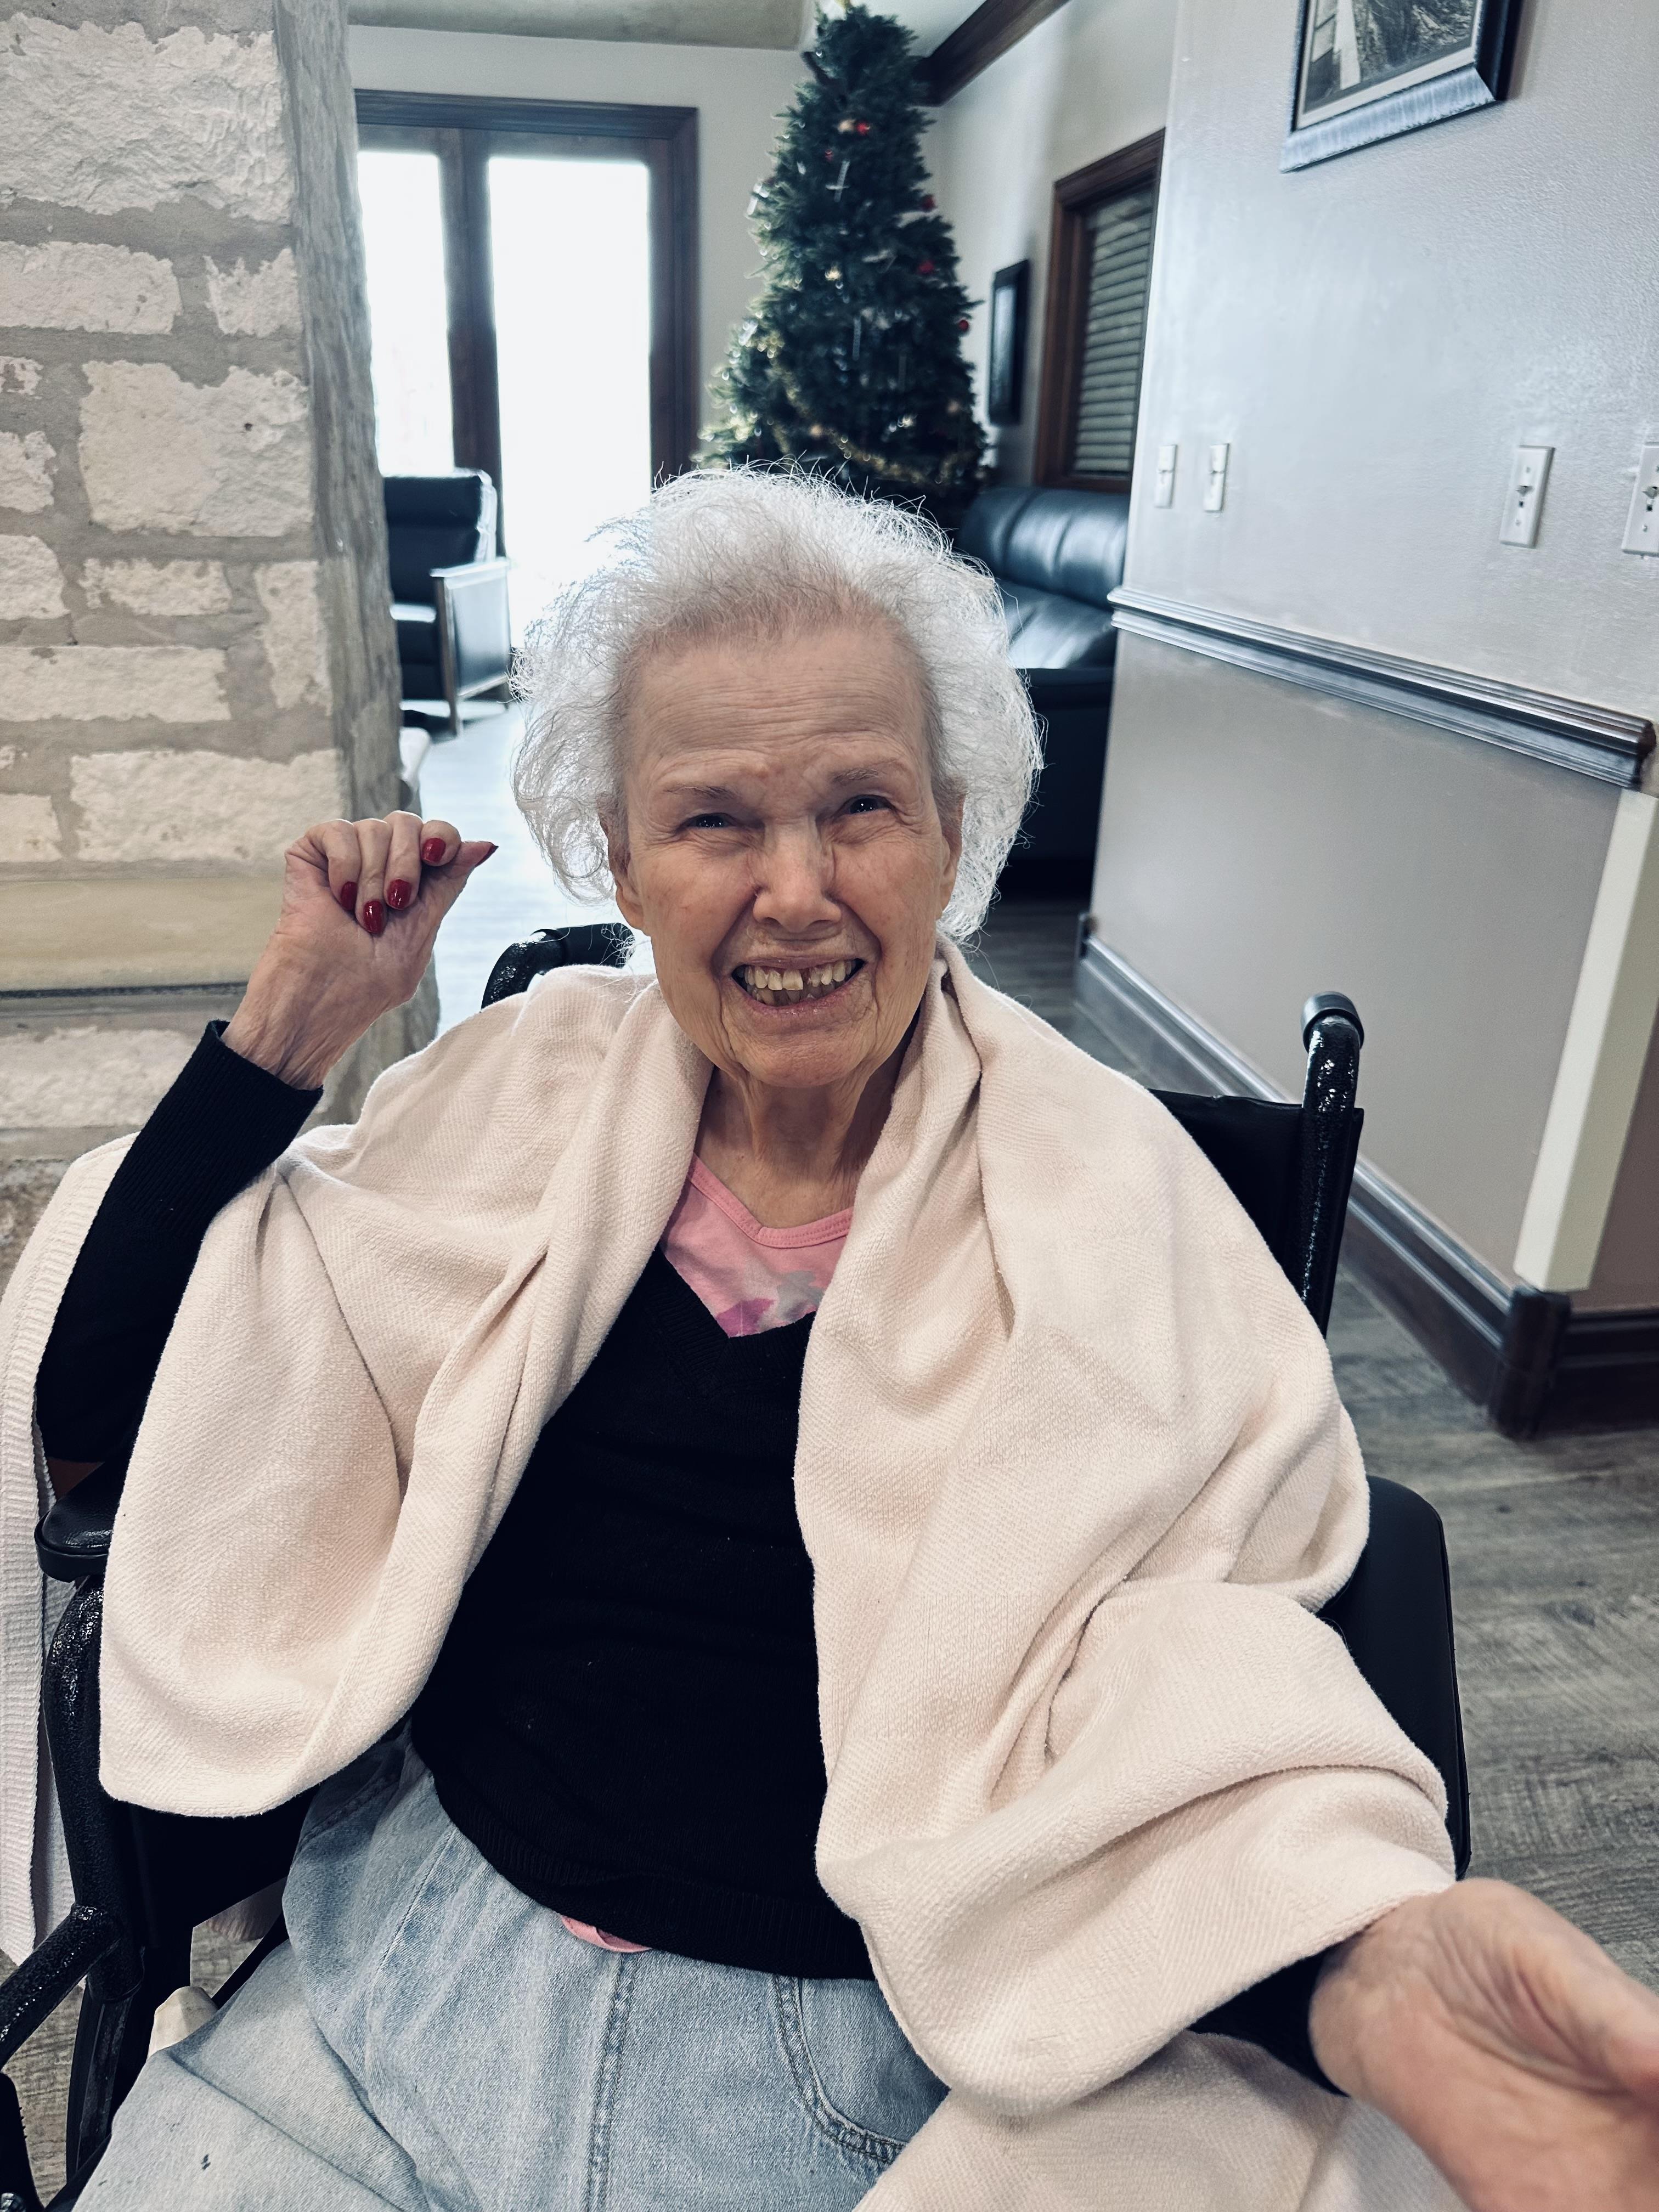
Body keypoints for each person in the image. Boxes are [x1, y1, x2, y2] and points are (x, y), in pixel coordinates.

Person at [6, 470, 1657, 2212]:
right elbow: (118, 1416)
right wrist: (290, 1030)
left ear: (953, 832)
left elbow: (1198, 1669)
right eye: (716, 820)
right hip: (401, 1980)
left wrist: (1350, 1963)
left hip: (837, 2066)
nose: (797, 892)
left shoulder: (1113, 1203)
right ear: (620, 860)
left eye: (860, 805)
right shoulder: (503, 1111)